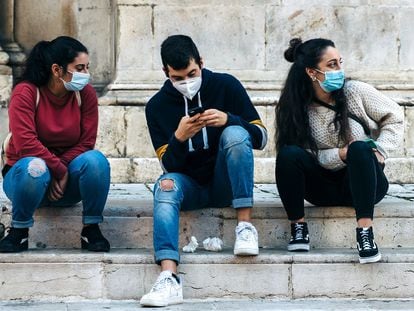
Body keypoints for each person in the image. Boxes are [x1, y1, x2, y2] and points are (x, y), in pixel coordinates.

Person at [141, 34, 267, 307]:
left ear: (201, 63)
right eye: (177, 77)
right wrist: (179, 137)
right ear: (166, 73)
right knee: (164, 185)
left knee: (235, 133)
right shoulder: (157, 106)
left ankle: (245, 226)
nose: (186, 82)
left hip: (226, 184)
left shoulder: (226, 85)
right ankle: (168, 278)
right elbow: (170, 167)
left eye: (192, 73)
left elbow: (262, 138)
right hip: (190, 187)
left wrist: (229, 119)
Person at [275, 38, 404, 264]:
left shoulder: (355, 91)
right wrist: (339, 155)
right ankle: (298, 228)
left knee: (359, 148)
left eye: (340, 63)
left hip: (364, 183)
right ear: (312, 72)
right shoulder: (294, 108)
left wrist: (381, 150)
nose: (339, 71)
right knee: (288, 154)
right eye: (332, 65)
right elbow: (305, 153)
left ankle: (365, 234)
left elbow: (395, 117)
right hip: (321, 187)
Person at [0, 36, 110, 253]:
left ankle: (91, 229)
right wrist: (58, 169)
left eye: (87, 67)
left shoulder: (84, 93)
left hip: (65, 185)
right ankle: (19, 232)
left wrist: (62, 172)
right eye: (79, 68)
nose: (85, 74)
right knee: (35, 167)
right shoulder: (26, 92)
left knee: (97, 161)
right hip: (27, 182)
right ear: (57, 70)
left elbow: (87, 142)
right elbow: (26, 144)